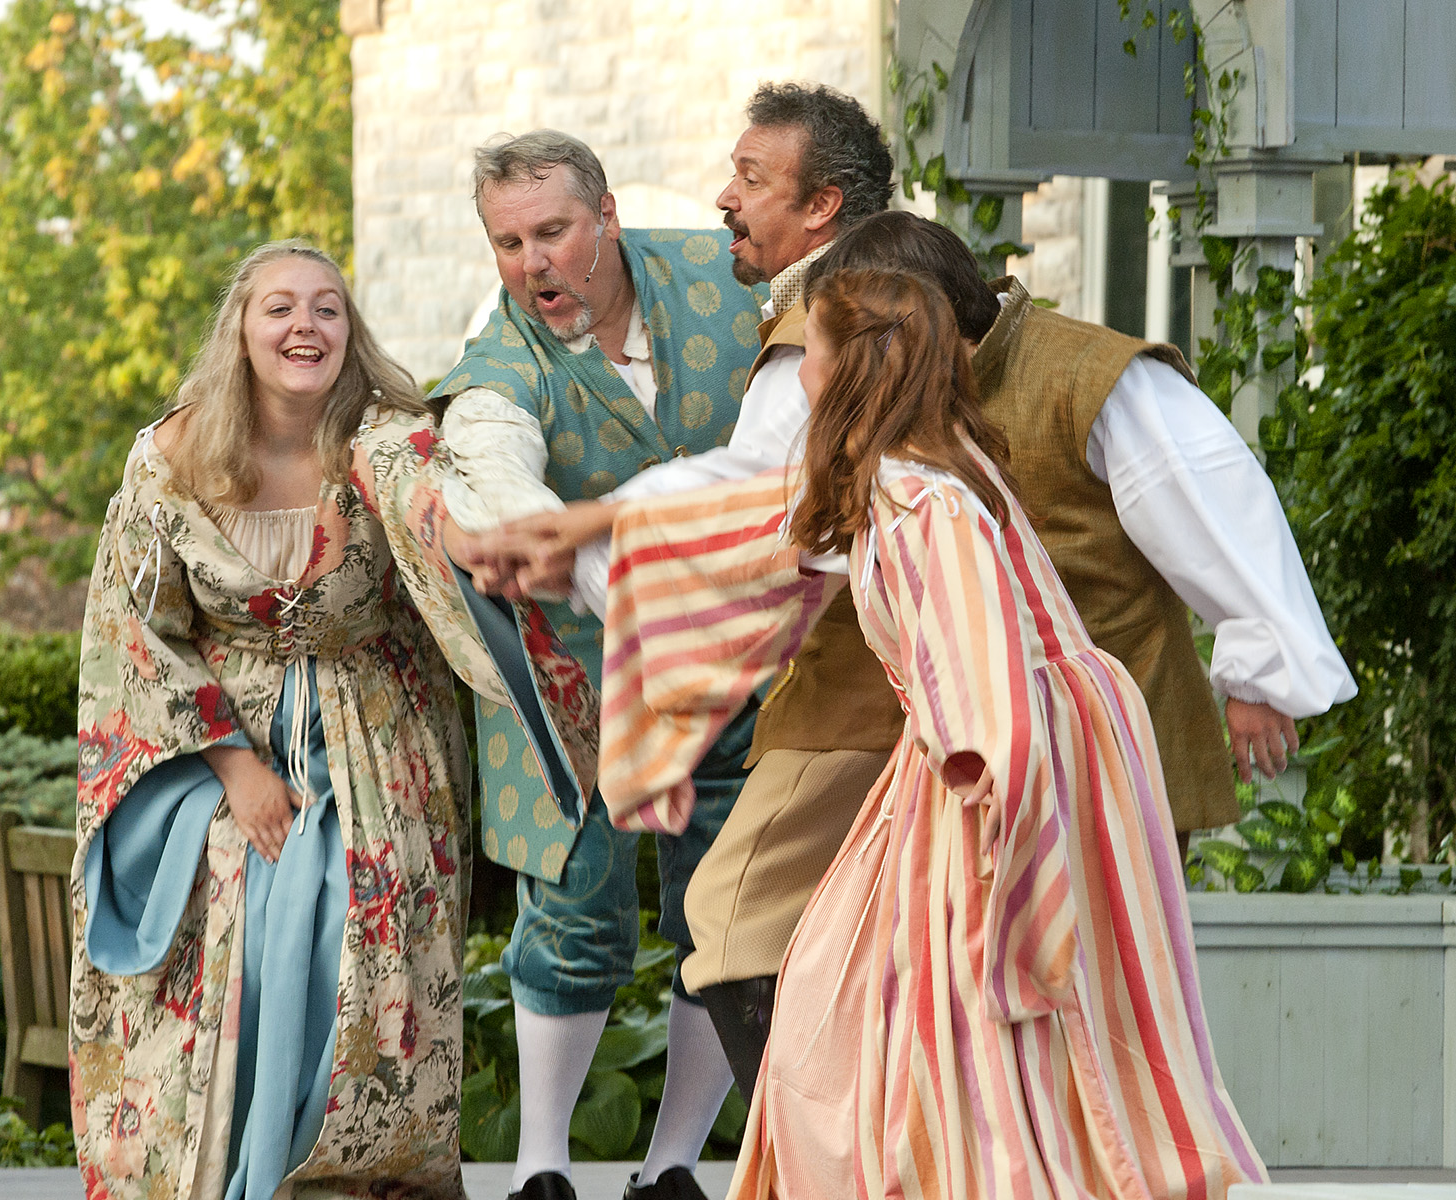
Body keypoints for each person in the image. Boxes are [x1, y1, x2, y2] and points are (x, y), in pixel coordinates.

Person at [591, 267, 1268, 1199]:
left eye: (811, 354)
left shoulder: (918, 500)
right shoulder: (931, 471)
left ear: (854, 369)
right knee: (897, 992)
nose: (799, 374)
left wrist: (997, 817)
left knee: (921, 997)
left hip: (982, 760)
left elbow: (979, 673)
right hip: (1002, 748)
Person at [488, 82, 899, 1101]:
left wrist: (583, 533)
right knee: (780, 922)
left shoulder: (838, 313)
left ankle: (810, 1161)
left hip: (866, 687)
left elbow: (766, 500)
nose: (725, 195)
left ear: (822, 207)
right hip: (886, 679)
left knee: (736, 913)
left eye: (752, 177)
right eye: (511, 241)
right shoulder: (842, 293)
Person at [71, 241, 498, 1200]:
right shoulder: (174, 455)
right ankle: (228, 1167)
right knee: (246, 913)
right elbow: (133, 630)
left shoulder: (385, 441)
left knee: (348, 920)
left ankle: (331, 1177)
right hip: (217, 747)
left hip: (374, 749)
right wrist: (233, 766)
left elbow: (454, 549)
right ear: (242, 329)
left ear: (350, 332)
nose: (305, 326)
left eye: (327, 309)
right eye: (280, 309)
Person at [433, 130, 768, 1200]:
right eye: (508, 242)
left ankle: (672, 1168)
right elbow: (495, 469)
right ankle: (542, 1169)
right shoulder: (499, 368)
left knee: (728, 903)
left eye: (553, 232)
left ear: (607, 216)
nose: (533, 264)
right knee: (575, 899)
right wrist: (584, 562)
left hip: (746, 653)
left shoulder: (727, 277)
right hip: (573, 663)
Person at [806, 211, 1356, 855]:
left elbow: (1217, 503)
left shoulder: (1090, 375)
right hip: (997, 763)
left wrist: (1261, 671)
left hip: (1118, 741)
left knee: (1114, 948)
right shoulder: (899, 409)